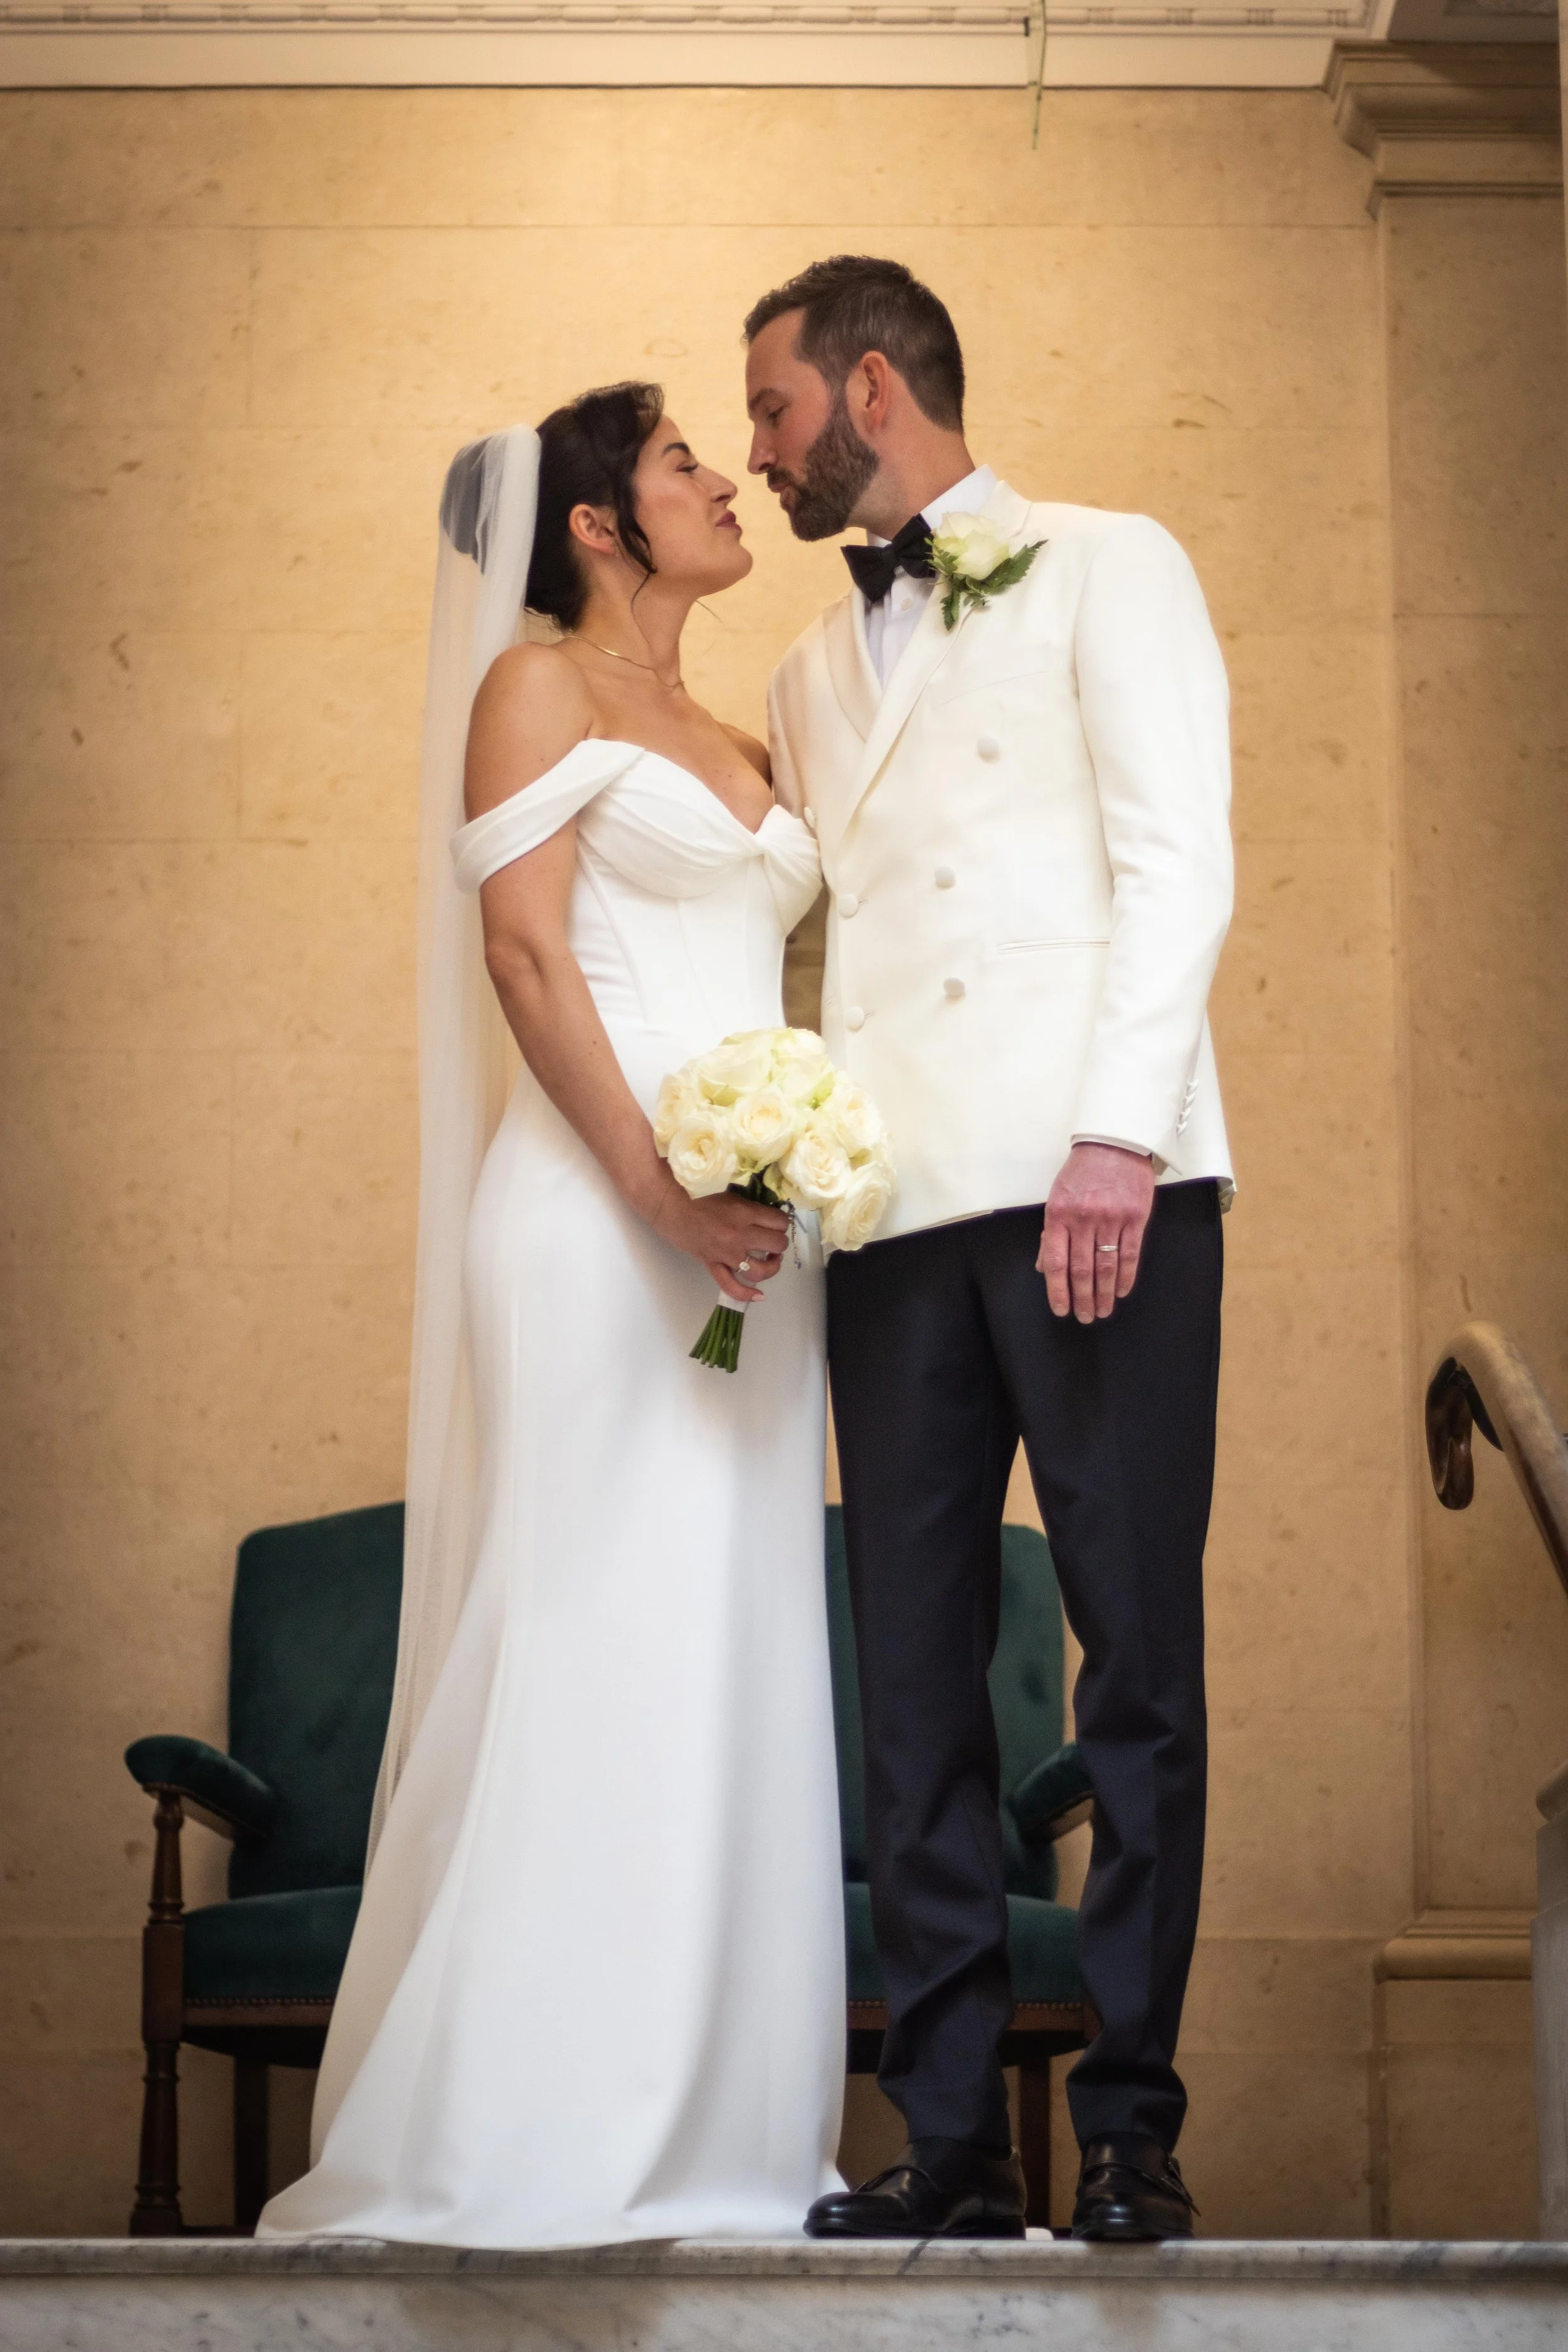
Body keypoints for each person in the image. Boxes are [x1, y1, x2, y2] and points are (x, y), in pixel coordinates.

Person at [258, 386, 844, 2247]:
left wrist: (777, 1180)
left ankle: (729, 2126)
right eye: (683, 460)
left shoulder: (750, 730)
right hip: (602, 1226)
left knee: (727, 1641)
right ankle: (534, 2112)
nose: (726, 477)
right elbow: (525, 951)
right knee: (600, 1621)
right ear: (595, 522)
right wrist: (661, 1194)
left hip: (754, 1237)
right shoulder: (539, 691)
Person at [749, 257, 1234, 2243]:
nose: (763, 447)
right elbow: (807, 941)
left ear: (872, 391)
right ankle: (948, 2134)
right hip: (889, 1226)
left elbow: (1174, 856)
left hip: (1092, 1184)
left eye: (772, 408)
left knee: (1130, 1665)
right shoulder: (800, 668)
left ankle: (1125, 2124)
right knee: (917, 1693)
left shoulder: (1111, 562)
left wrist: (1117, 1129)